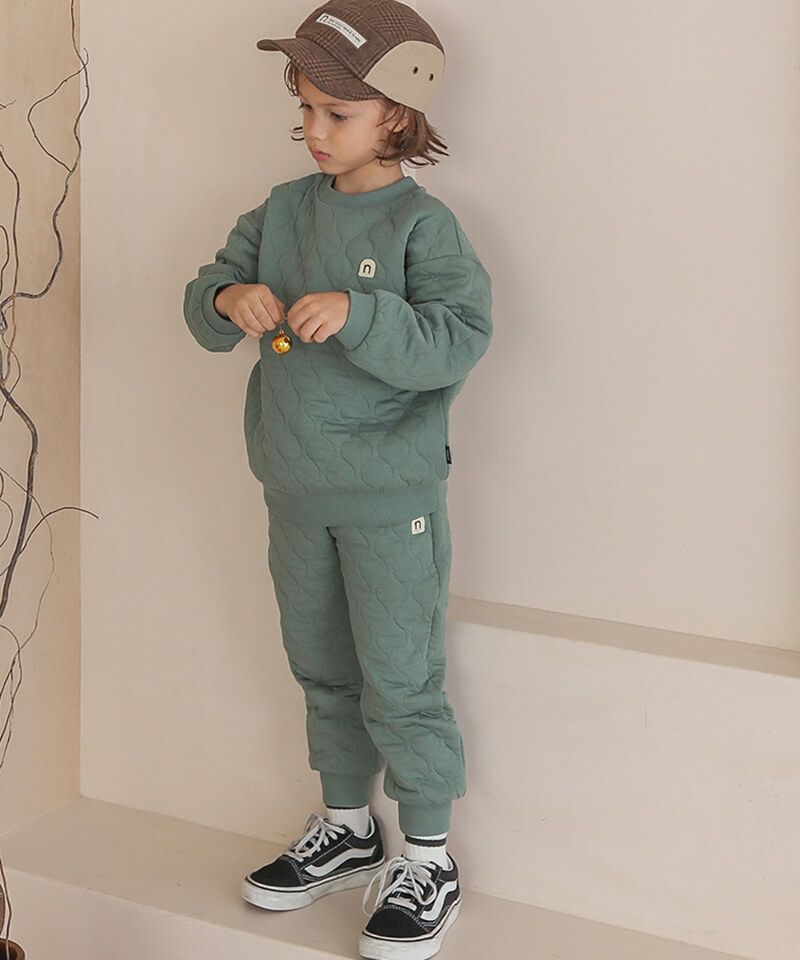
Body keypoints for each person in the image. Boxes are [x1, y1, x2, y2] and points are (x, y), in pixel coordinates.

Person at [183, 2, 492, 957]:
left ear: (398, 113)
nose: (314, 130)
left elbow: (458, 339)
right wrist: (229, 297)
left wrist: (362, 314)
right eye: (305, 109)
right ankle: (349, 830)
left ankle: (429, 856)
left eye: (337, 112)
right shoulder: (281, 210)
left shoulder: (422, 225)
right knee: (321, 667)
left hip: (390, 502)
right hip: (293, 489)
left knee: (400, 678)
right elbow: (204, 295)